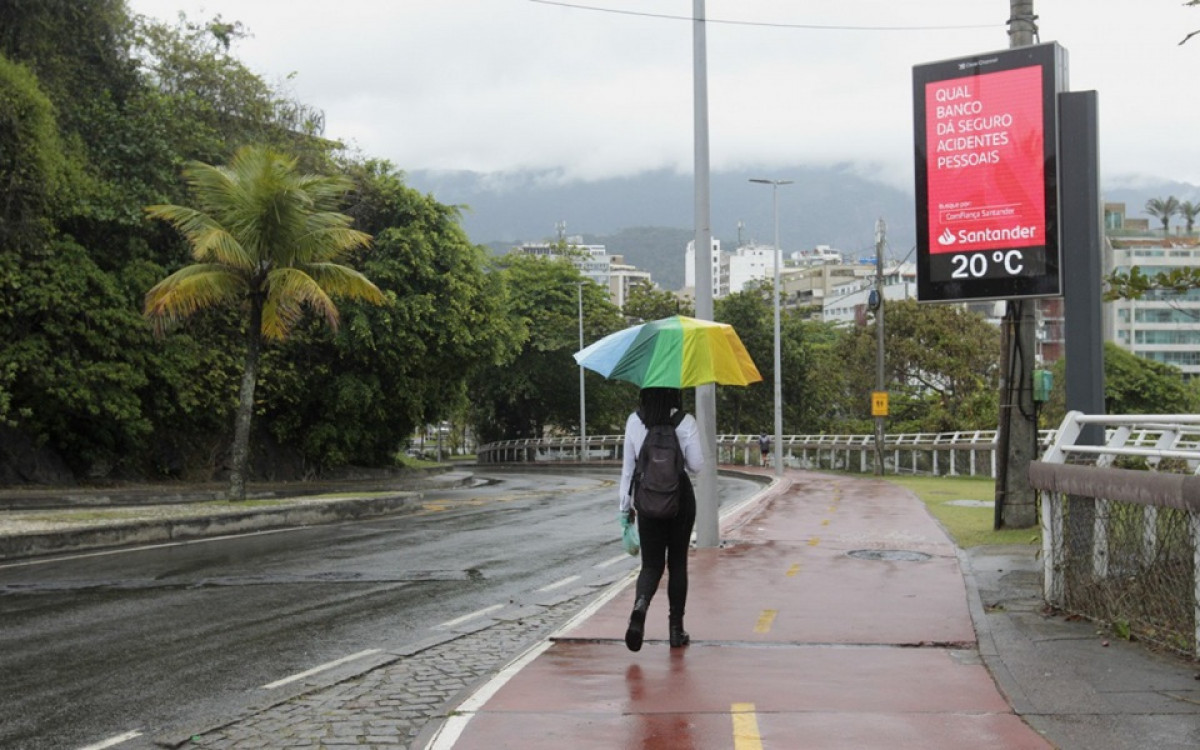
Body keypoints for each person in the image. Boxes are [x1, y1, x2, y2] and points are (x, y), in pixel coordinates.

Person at [619, 387, 704, 651]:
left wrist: (625, 508)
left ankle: (640, 607)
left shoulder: (635, 421)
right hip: (680, 501)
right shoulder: (685, 421)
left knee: (651, 565)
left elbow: (628, 470)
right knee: (677, 563)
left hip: (647, 501)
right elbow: (697, 465)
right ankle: (676, 631)